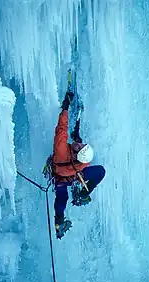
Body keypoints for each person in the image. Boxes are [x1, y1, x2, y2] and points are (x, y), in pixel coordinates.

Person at [52, 91, 106, 238]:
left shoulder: (61, 150)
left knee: (61, 197)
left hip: (58, 176)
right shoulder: (84, 161)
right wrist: (77, 137)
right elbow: (76, 148)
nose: (80, 145)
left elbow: (61, 129)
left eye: (80, 147)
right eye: (81, 145)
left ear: (76, 155)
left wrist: (65, 107)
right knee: (100, 171)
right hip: (74, 175)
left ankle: (59, 221)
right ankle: (83, 195)